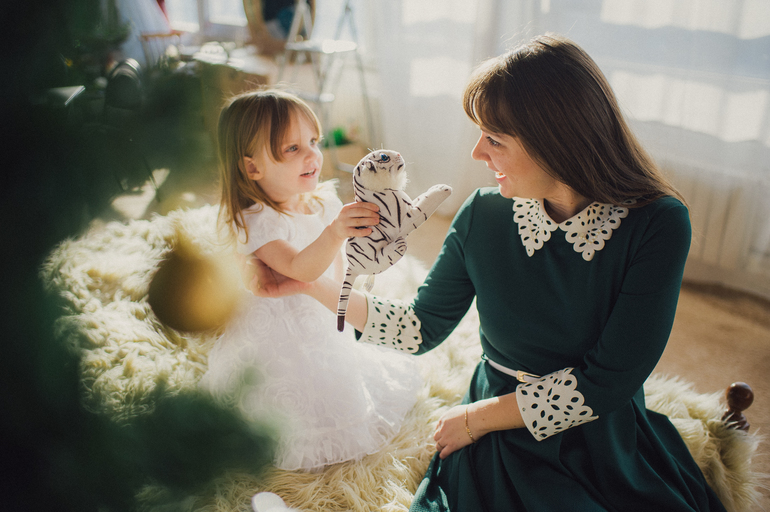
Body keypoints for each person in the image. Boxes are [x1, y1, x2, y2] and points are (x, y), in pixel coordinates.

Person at [251, 35, 728, 510]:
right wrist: (311, 284)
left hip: (596, 431)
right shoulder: (483, 212)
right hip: (502, 422)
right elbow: (420, 327)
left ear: (556, 140)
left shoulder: (659, 223)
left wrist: (474, 419)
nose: (477, 153)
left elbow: (607, 381)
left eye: (494, 139)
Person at [198, 88, 422, 472]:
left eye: (314, 141)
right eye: (292, 148)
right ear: (252, 169)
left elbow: (336, 266)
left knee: (340, 375)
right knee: (296, 401)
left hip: (320, 315)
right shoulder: (257, 222)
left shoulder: (322, 202)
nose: (312, 155)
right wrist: (335, 232)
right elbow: (301, 268)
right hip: (281, 335)